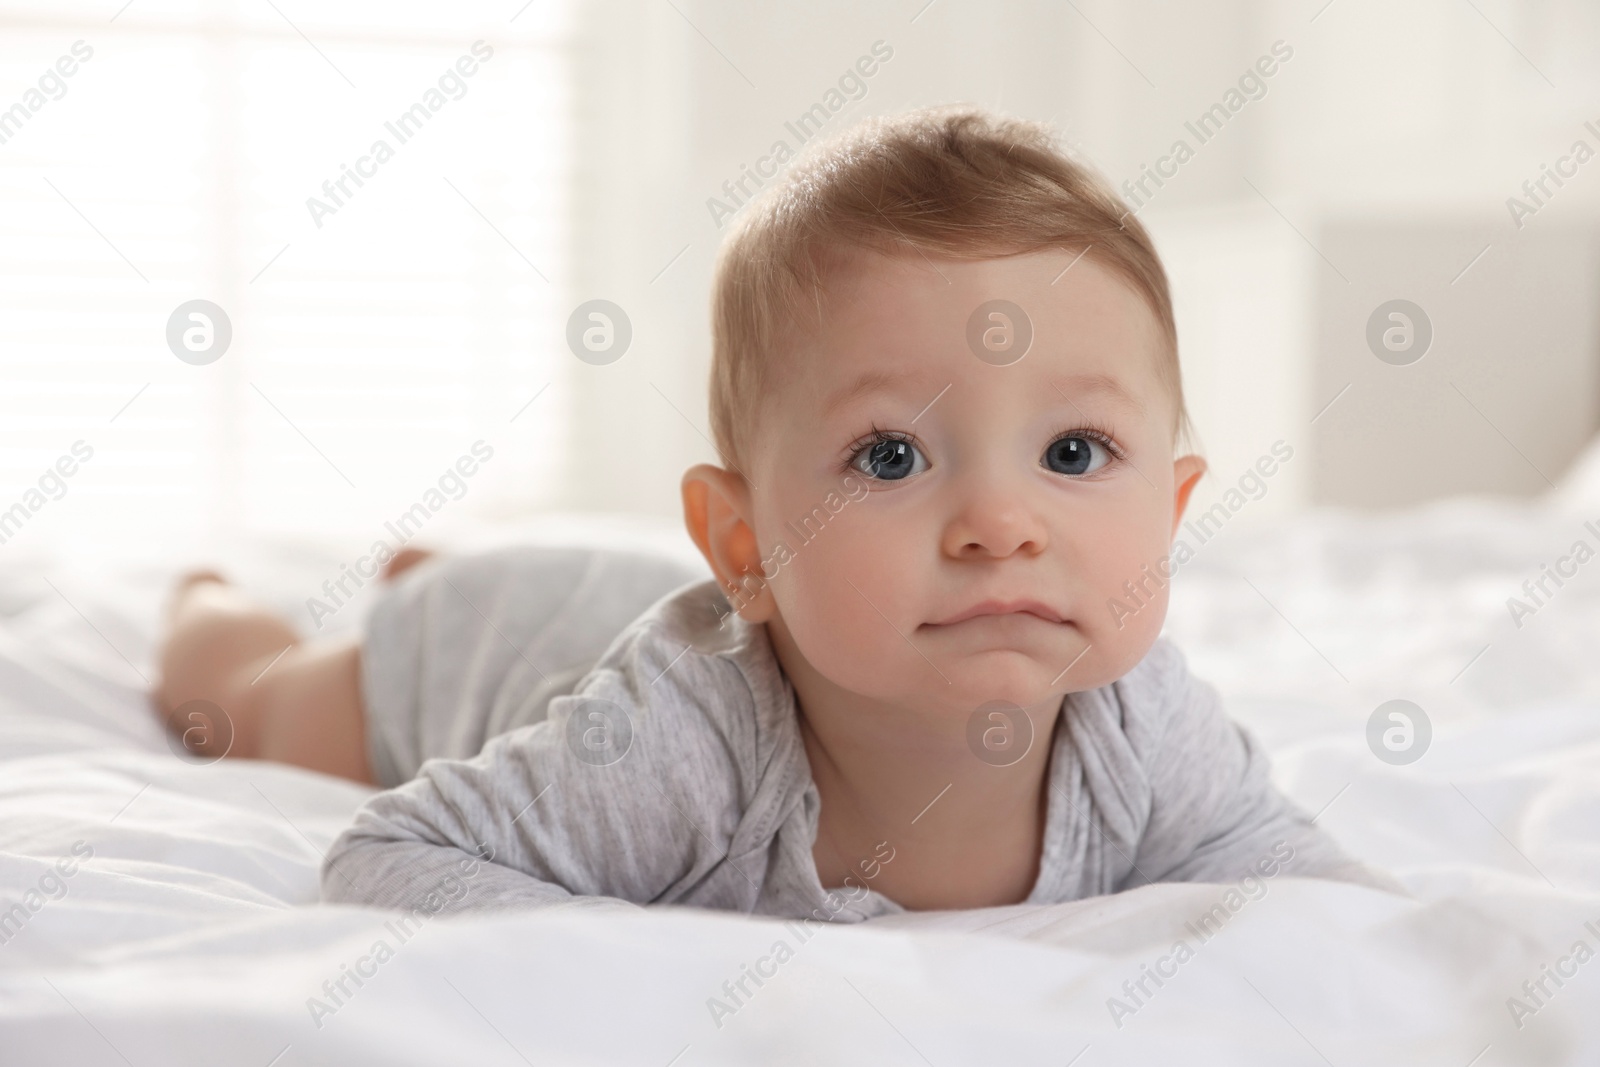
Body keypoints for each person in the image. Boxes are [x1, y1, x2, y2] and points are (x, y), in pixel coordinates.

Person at [153, 106, 1394, 922]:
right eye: (892, 454)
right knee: (249, 701)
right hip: (478, 645)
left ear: (1172, 516)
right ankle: (225, 601)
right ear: (746, 545)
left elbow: (1316, 890)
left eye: (1075, 449)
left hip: (611, 606)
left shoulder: (1146, 725)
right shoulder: (674, 745)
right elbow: (387, 860)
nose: (1000, 522)